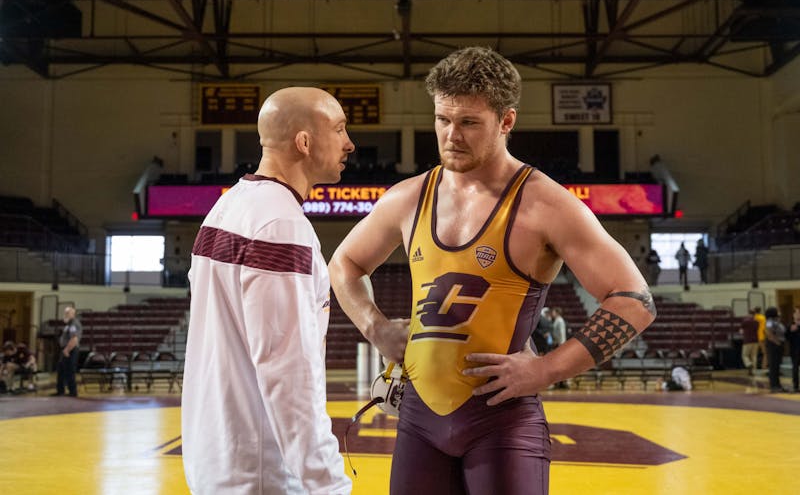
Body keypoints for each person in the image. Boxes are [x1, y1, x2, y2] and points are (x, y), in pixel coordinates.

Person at [328, 47, 656, 495]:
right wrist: (375, 327)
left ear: (506, 121)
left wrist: (546, 370)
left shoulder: (545, 204)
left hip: (502, 425)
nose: (451, 135)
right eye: (442, 119)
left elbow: (635, 301)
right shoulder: (408, 197)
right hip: (419, 422)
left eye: (468, 122)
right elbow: (344, 264)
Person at [181, 87, 354, 495]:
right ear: (304, 142)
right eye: (339, 129)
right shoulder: (281, 225)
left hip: (216, 458)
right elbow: (290, 379)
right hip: (263, 472)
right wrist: (329, 485)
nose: (349, 143)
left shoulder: (227, 207)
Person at [53, 306, 81, 397]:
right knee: (61, 370)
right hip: (66, 349)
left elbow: (74, 339)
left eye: (67, 313)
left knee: (69, 371)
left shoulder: (73, 324)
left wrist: (67, 350)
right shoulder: (68, 324)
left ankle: (72, 392)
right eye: (65, 313)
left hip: (70, 350)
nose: (65, 315)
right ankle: (60, 390)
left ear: (73, 314)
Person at [764, 306, 786, 393]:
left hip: (778, 344)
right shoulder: (769, 321)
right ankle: (774, 386)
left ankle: (778, 385)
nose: (779, 312)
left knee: (777, 366)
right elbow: (768, 332)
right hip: (773, 345)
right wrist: (776, 342)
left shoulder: (776, 320)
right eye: (777, 311)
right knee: (773, 366)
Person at [740, 311, 760, 375]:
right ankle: (753, 371)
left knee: (744, 355)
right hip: (756, 340)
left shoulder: (745, 321)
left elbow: (741, 331)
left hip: (747, 340)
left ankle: (749, 364)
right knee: (754, 355)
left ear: (749, 314)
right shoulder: (757, 322)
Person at [787, 306, 800, 393]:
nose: (798, 314)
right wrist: (790, 331)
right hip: (795, 350)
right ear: (793, 315)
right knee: (795, 368)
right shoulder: (790, 325)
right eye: (796, 313)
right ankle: (795, 386)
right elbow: (787, 338)